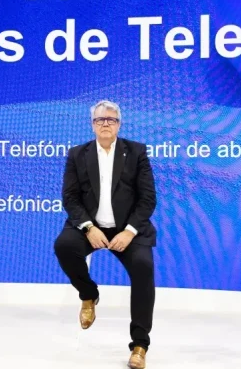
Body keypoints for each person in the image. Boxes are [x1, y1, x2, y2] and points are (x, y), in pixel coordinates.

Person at [54, 100, 157, 369]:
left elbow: (148, 199)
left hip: (128, 229)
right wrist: (88, 227)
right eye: (100, 120)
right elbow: (70, 198)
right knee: (64, 246)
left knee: (144, 267)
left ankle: (139, 345)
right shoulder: (77, 154)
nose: (105, 124)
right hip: (91, 226)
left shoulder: (136, 152)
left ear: (119, 124)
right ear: (92, 125)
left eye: (111, 119)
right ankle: (88, 294)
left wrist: (129, 232)